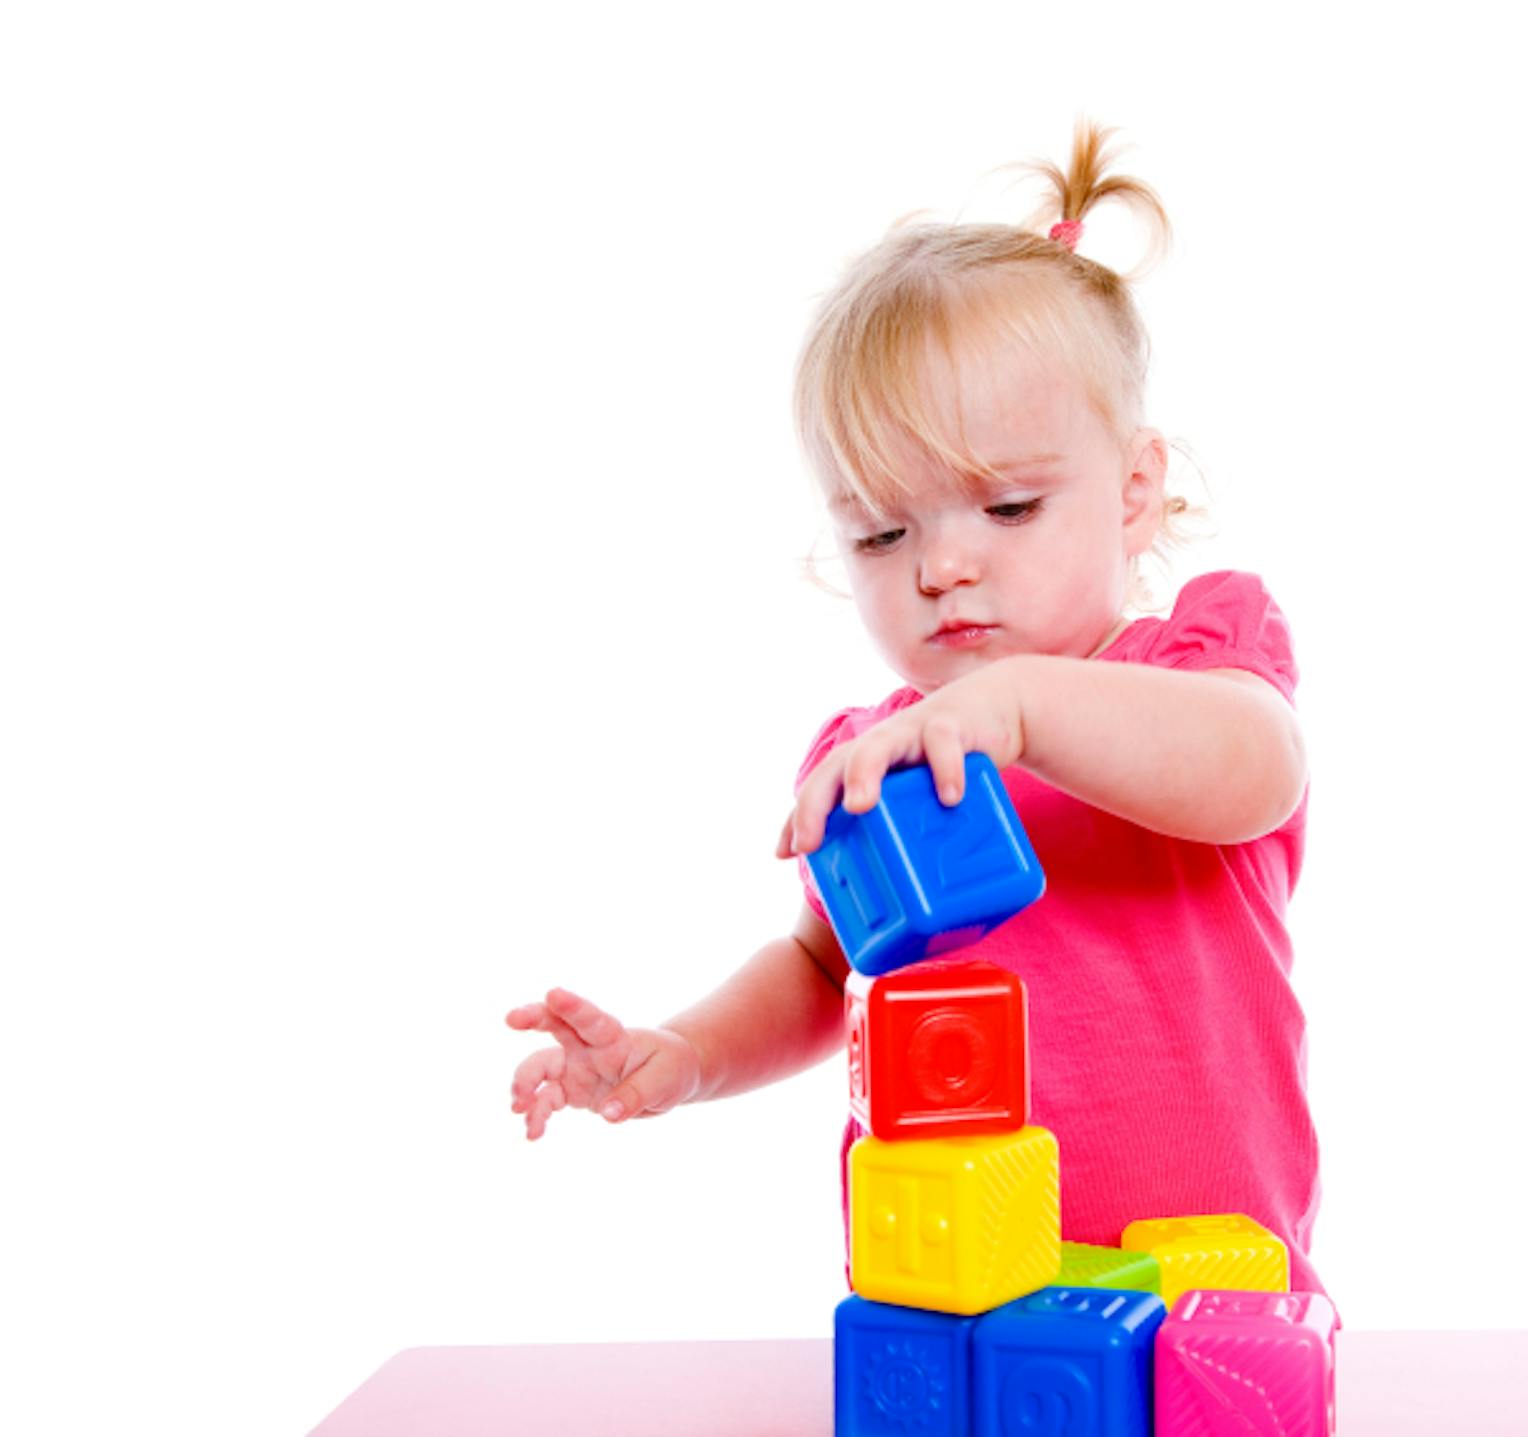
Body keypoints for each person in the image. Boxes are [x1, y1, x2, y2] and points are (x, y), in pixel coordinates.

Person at [505, 119, 1325, 1294]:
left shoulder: (1196, 663)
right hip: (952, 1292)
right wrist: (682, 1054)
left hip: (1199, 1287)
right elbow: (813, 969)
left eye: (1006, 510)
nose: (941, 568)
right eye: (884, 533)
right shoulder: (870, 760)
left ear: (1137, 491)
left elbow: (1254, 774)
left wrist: (1023, 704)